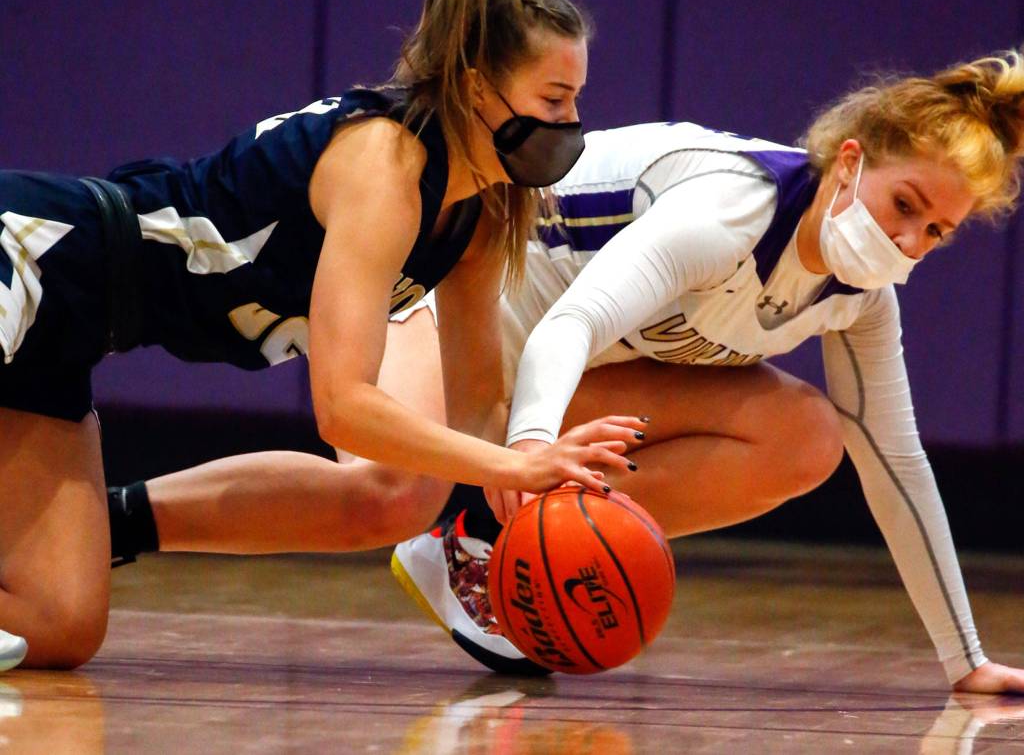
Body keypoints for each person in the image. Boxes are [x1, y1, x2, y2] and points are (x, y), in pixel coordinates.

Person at [111, 48, 1024, 692]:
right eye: (904, 205)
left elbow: (897, 466)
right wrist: (523, 459)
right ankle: (115, 519)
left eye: (935, 233)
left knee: (808, 436)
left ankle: (481, 545)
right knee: (385, 495)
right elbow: (570, 326)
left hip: (558, 362)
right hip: (461, 299)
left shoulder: (861, 296)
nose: (907, 240)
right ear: (850, 161)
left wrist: (965, 658)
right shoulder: (730, 211)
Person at [0, 0, 643, 671]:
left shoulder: (479, 212)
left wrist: (537, 469)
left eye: (577, 102)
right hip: (35, 253)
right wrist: (511, 469)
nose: (570, 126)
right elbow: (345, 407)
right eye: (553, 100)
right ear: (475, 88)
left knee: (61, 623)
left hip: (67, 340)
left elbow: (477, 406)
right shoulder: (386, 166)